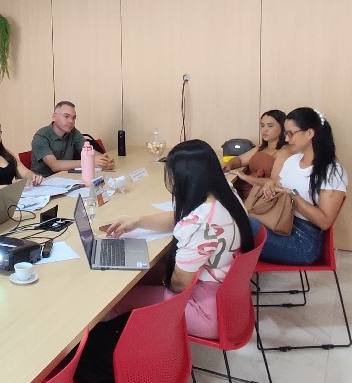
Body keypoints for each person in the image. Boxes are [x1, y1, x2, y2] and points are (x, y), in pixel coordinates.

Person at [105, 139, 254, 339]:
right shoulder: (227, 193)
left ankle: (103, 345)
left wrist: (159, 276)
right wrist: (138, 221)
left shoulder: (199, 225)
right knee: (149, 270)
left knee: (121, 297)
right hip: (228, 301)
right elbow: (182, 217)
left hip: (206, 314)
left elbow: (179, 284)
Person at [250, 107, 347, 265]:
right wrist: (271, 187)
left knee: (244, 225)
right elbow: (280, 189)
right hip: (281, 223)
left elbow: (324, 222)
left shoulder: (331, 171)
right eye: (286, 133)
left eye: (291, 133)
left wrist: (293, 196)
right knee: (237, 218)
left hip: (304, 242)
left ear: (309, 133)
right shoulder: (292, 161)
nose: (286, 139)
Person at [30, 101, 115, 177]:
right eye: (66, 116)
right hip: (43, 182)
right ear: (54, 116)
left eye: (73, 118)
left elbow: (88, 150)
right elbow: (54, 165)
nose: (71, 121)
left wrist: (104, 161)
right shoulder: (41, 136)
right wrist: (88, 162)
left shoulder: (73, 132)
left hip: (65, 178)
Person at [223, 110, 291, 201]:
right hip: (244, 189)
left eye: (270, 126)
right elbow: (240, 160)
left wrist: (244, 176)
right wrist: (229, 165)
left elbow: (273, 183)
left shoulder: (284, 152)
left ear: (282, 128)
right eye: (262, 126)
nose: (264, 130)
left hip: (260, 197)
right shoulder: (262, 147)